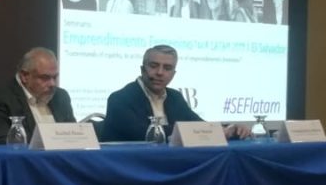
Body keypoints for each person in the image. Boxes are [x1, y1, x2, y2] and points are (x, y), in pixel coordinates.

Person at [101, 45, 251, 142]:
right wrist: (194, 133)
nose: (160, 72)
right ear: (142, 69)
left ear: (173, 74)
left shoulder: (175, 97)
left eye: (167, 68)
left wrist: (230, 128)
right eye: (154, 66)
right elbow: (148, 136)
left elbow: (198, 124)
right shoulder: (119, 99)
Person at [0, 47, 76, 145]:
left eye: (55, 77)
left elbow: (73, 137)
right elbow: (0, 141)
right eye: (45, 78)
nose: (52, 84)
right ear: (24, 76)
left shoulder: (61, 96)